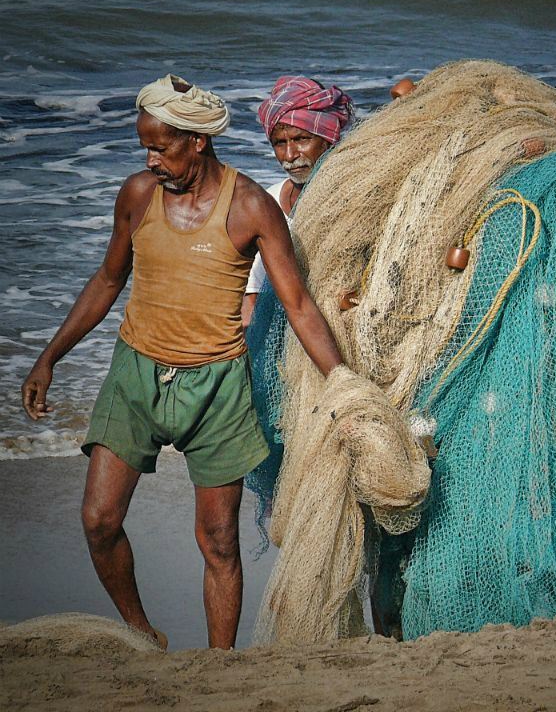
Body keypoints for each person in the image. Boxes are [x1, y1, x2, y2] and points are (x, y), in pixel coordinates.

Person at [21, 74, 343, 649]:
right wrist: (50, 357)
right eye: (146, 147)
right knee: (99, 521)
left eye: (161, 147)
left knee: (219, 542)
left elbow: (298, 304)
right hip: (136, 374)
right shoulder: (138, 195)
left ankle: (219, 667)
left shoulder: (250, 206)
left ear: (197, 141)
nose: (151, 159)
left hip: (218, 387)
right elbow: (107, 279)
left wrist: (343, 384)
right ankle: (143, 634)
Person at [242, 76, 353, 326]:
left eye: (302, 139)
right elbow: (252, 296)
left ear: (328, 139)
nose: (290, 155)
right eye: (280, 143)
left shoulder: (353, 203)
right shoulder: (267, 203)